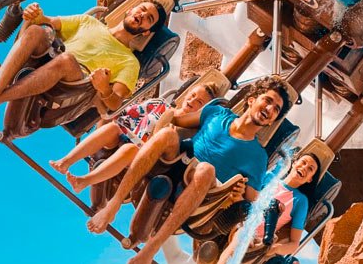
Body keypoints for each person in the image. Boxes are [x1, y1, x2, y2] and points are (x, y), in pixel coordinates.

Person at [87, 75, 296, 264]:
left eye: (276, 109)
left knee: (205, 169)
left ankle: (150, 250)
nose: (269, 109)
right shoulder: (216, 113)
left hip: (203, 191)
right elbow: (177, 118)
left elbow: (252, 199)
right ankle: (112, 205)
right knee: (166, 136)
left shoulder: (258, 157)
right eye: (268, 101)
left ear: (272, 120)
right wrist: (167, 114)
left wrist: (239, 195)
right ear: (252, 99)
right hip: (176, 161)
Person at [0, 0, 166, 115]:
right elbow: (48, 21)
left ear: (146, 31)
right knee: (36, 31)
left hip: (73, 87)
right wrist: (34, 13)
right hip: (49, 58)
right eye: (141, 9)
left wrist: (104, 89)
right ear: (130, 10)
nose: (142, 15)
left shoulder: (130, 63)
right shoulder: (89, 22)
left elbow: (115, 103)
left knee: (67, 60)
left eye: (149, 18)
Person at [49, 82, 219, 193]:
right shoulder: (159, 105)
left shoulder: (192, 132)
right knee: (112, 128)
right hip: (126, 136)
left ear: (203, 111)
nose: (193, 100)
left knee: (130, 149)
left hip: (145, 158)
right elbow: (126, 116)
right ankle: (65, 162)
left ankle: (84, 181)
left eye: (200, 102)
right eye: (193, 95)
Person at [217, 153, 321, 264]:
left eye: (310, 169)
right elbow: (248, 201)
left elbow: (294, 243)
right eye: (303, 162)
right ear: (294, 162)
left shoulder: (300, 201)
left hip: (263, 241)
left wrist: (275, 249)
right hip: (244, 226)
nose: (304, 167)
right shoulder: (270, 177)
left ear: (310, 179)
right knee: (243, 238)